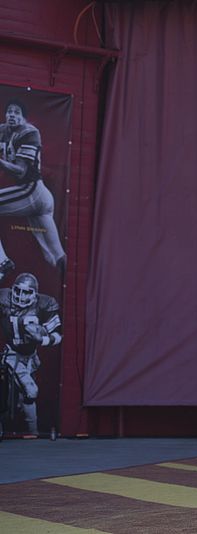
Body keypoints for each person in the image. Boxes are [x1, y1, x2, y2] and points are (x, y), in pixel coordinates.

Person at [0, 100, 66, 277]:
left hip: (31, 191)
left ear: (23, 118)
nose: (12, 115)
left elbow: (21, 171)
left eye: (17, 112)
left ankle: (2, 262)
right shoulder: (4, 130)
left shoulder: (29, 133)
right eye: (9, 111)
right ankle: (69, 278)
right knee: (54, 256)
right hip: (37, 197)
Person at [0, 272, 61, 436]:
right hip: (12, 353)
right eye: (18, 291)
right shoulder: (3, 298)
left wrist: (41, 339)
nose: (20, 296)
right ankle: (33, 432)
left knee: (25, 397)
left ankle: (27, 430)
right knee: (31, 390)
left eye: (26, 292)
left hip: (31, 356)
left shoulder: (44, 304)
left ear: (35, 293)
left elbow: (57, 335)